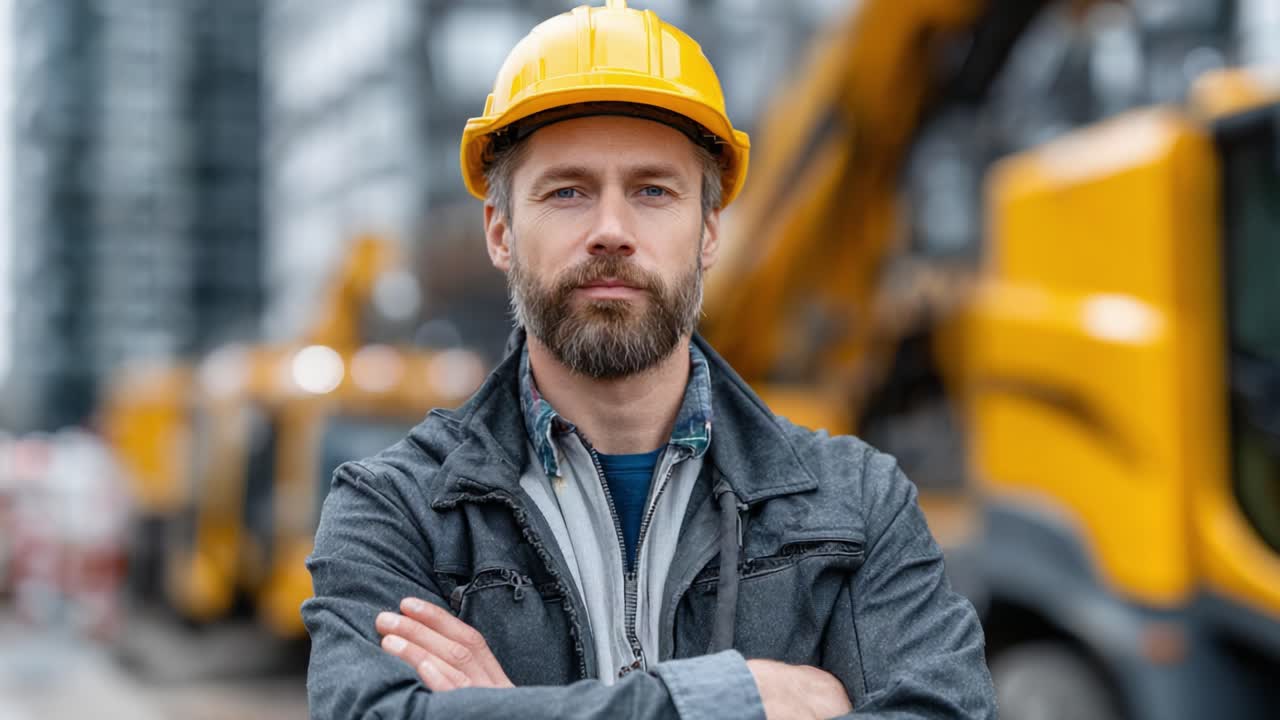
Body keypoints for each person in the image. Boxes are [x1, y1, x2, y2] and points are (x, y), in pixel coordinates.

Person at [302, 2, 996, 718]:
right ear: (501, 231)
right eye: (567, 191)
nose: (611, 230)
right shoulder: (396, 511)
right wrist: (736, 700)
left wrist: (518, 711)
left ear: (709, 232)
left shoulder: (858, 507)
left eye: (653, 191)